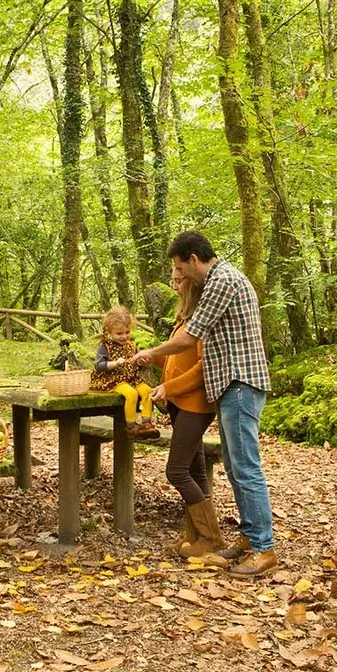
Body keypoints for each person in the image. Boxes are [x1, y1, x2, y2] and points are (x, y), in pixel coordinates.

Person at [135, 230, 276, 578]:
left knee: (245, 467)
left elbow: (190, 335)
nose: (180, 276)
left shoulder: (221, 280)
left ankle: (264, 548)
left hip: (240, 382)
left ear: (194, 260)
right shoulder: (219, 279)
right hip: (228, 386)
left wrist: (152, 352)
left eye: (181, 268)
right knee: (233, 465)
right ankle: (249, 537)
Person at [150, 267, 225, 559]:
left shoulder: (202, 323)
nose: (174, 285)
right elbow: (174, 361)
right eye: (172, 279)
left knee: (177, 471)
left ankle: (211, 537)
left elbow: (202, 370)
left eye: (179, 280)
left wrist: (169, 387)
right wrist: (145, 355)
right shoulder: (183, 320)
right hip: (180, 405)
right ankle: (194, 536)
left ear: (192, 286)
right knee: (195, 470)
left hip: (196, 406)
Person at [91, 306, 154, 426]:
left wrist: (140, 362)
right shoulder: (105, 346)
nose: (124, 336)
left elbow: (135, 364)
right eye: (119, 333)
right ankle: (131, 424)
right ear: (109, 332)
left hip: (131, 379)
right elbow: (98, 366)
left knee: (147, 391)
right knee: (131, 394)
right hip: (113, 380)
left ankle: (146, 421)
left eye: (127, 332)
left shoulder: (131, 345)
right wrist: (114, 363)